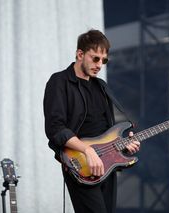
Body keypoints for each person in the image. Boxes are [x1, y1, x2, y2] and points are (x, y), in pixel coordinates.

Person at [43, 29, 140, 213]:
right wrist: (87, 150)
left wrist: (125, 144)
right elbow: (55, 128)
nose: (99, 65)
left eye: (104, 60)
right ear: (80, 54)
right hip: (81, 162)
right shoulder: (59, 82)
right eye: (95, 58)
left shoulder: (101, 87)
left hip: (107, 165)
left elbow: (108, 129)